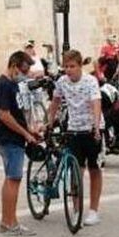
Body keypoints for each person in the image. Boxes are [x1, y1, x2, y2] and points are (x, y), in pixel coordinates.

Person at [48, 49, 103, 226]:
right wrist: (49, 122)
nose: (69, 70)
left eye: (72, 66)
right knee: (75, 170)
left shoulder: (90, 81)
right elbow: (55, 102)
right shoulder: (62, 82)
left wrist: (95, 125)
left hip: (91, 128)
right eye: (66, 67)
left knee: (94, 168)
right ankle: (76, 209)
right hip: (74, 129)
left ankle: (94, 210)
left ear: (80, 66)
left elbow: (96, 103)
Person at [0, 50, 41, 236]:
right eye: (23, 70)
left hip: (14, 138)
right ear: (14, 66)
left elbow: (17, 113)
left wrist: (30, 131)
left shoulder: (11, 84)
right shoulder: (4, 85)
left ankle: (7, 222)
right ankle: (10, 223)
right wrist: (25, 134)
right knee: (14, 179)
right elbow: (5, 115)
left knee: (11, 180)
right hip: (10, 139)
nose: (25, 75)